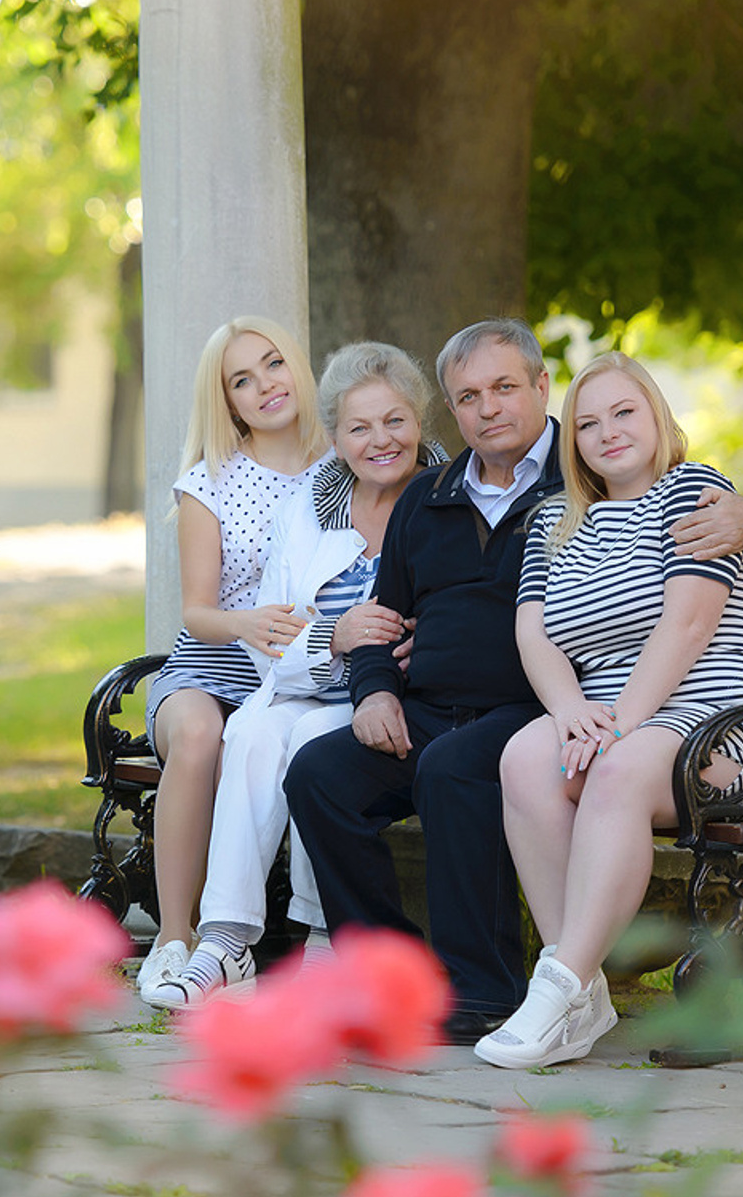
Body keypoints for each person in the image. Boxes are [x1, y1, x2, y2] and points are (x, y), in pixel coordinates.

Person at [284, 318, 743, 1044]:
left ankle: (488, 989)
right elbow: (384, 615)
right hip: (447, 704)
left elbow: (728, 532)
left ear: (539, 388)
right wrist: (373, 691)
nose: (488, 408)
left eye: (503, 388)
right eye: (468, 396)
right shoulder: (437, 500)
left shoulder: (585, 476)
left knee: (457, 769)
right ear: (451, 412)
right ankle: (388, 976)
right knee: (318, 774)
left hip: (534, 708)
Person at [474, 352, 743, 1068]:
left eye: (624, 412)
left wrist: (618, 726)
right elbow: (532, 630)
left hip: (734, 719)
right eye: (589, 423)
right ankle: (583, 995)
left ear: (657, 415)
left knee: (617, 770)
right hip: (629, 721)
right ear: (574, 443)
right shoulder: (554, 521)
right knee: (526, 757)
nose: (607, 432)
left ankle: (556, 982)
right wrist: (568, 710)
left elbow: (686, 626)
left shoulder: (696, 493)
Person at [146, 342, 448, 1007]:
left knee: (314, 745)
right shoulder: (311, 500)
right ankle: (224, 943)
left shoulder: (446, 497)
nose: (380, 441)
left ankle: (320, 940)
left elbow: (456, 620)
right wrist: (332, 637)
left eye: (395, 421)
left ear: (421, 420)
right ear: (336, 437)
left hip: (398, 698)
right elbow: (271, 633)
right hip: (306, 681)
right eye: (360, 428)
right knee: (252, 733)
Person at [136, 316, 331, 999]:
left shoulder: (344, 464)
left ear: (297, 367)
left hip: (303, 671)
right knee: (198, 733)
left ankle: (310, 940)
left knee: (307, 738)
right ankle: (173, 938)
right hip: (212, 662)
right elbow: (195, 612)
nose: (265, 386)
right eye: (241, 381)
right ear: (227, 402)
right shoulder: (210, 481)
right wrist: (248, 621)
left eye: (273, 365)